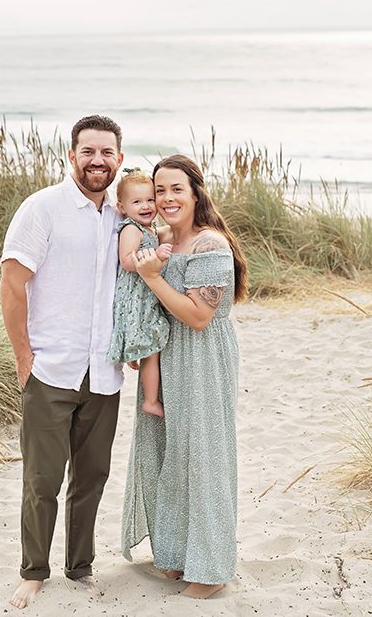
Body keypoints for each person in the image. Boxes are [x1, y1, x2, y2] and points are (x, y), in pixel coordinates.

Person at [0, 114, 125, 609]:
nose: (98, 161)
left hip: (105, 372)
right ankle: (33, 571)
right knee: (42, 480)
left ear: (118, 158)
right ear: (71, 156)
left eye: (107, 153)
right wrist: (23, 354)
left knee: (92, 478)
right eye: (89, 152)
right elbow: (12, 284)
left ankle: (80, 568)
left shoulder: (123, 217)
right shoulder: (43, 208)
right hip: (51, 369)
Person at [121, 153, 248, 599]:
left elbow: (198, 316)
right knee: (167, 453)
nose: (167, 198)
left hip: (203, 359)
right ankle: (176, 556)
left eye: (177, 189)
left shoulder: (210, 244)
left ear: (195, 193)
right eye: (160, 190)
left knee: (203, 456)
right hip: (166, 357)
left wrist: (153, 278)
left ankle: (211, 571)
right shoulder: (162, 237)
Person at [106, 169, 172, 417]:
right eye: (137, 202)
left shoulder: (150, 228)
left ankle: (136, 355)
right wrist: (155, 257)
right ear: (122, 207)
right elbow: (126, 260)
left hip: (145, 295)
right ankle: (150, 401)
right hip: (135, 297)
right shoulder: (131, 229)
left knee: (149, 344)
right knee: (153, 348)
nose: (146, 206)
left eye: (149, 200)